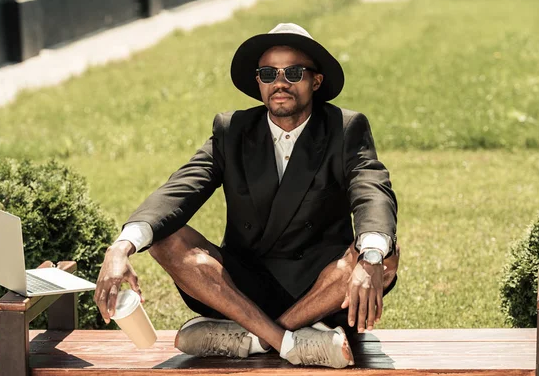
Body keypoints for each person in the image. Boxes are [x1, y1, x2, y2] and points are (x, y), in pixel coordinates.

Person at [95, 23, 399, 369]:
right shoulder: (232, 130)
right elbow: (179, 189)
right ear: (258, 83)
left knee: (385, 255)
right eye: (268, 73)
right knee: (165, 238)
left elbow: (372, 190)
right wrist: (121, 246)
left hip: (321, 291)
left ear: (316, 81)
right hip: (243, 288)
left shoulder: (345, 127)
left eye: (293, 72)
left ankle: (252, 339)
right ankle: (290, 342)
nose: (280, 82)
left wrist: (371, 257)